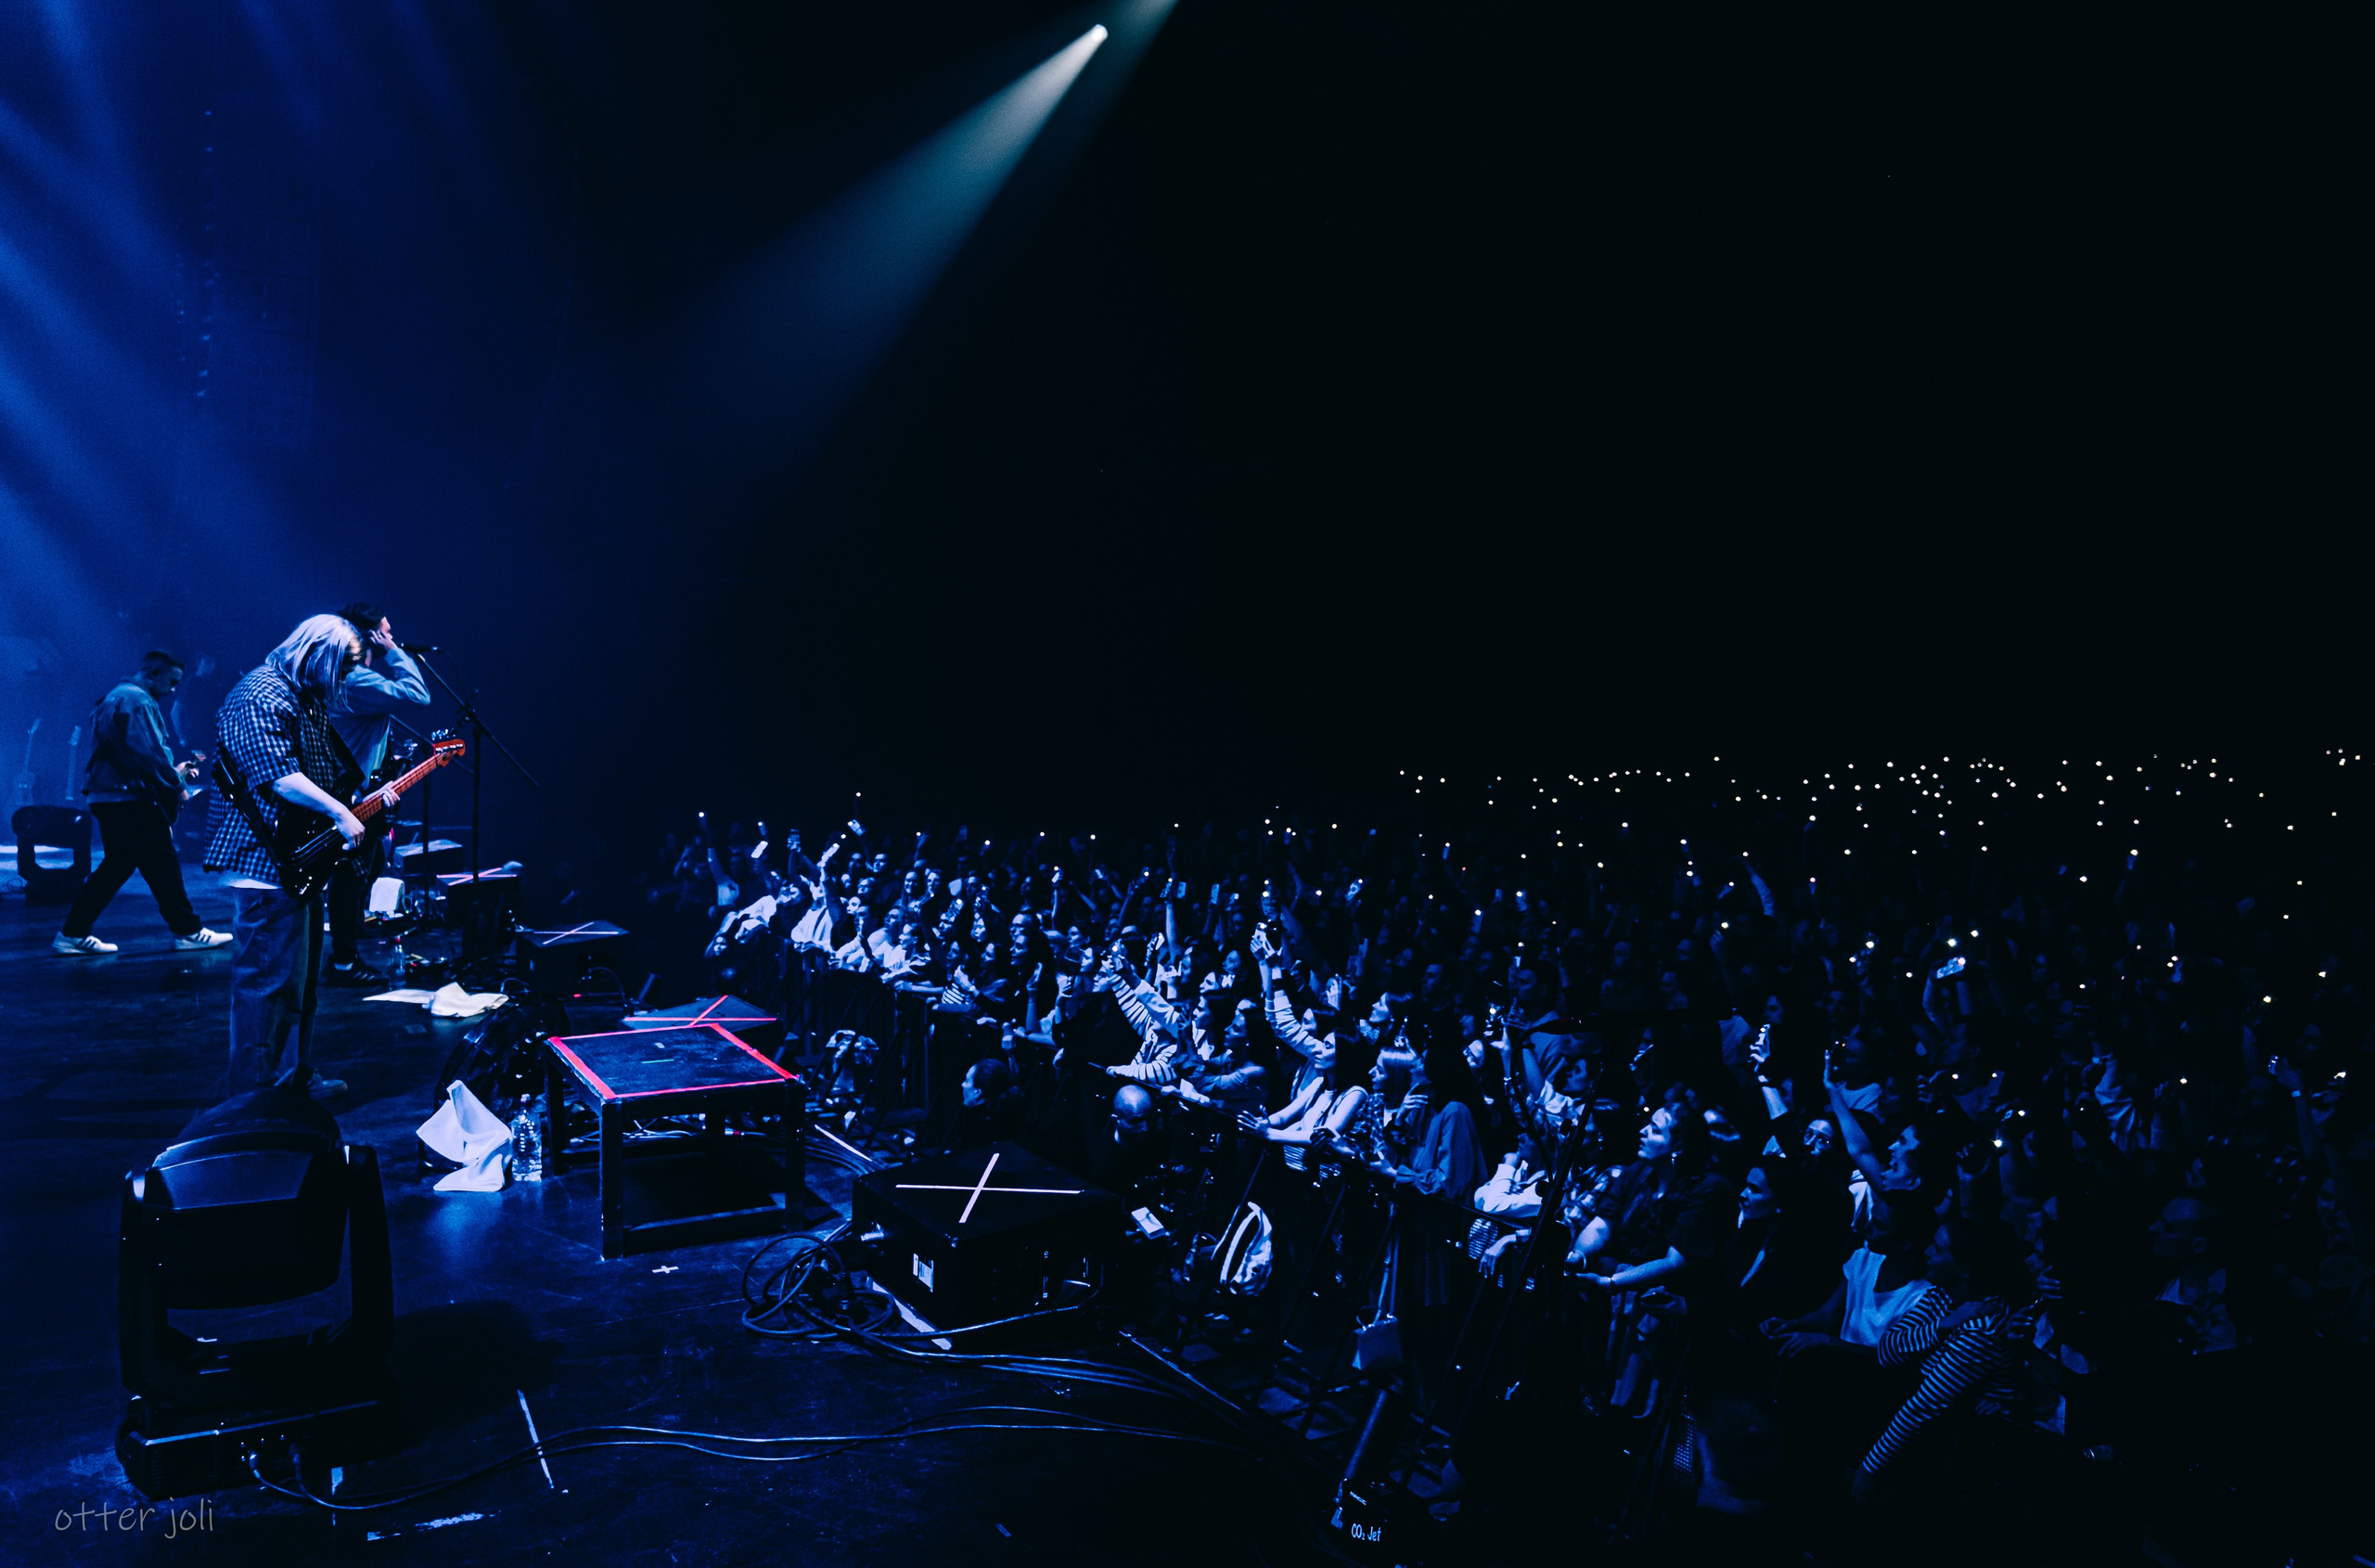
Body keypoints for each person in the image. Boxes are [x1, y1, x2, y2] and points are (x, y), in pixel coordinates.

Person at [205, 614, 392, 1100]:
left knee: (298, 988)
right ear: (317, 654)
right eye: (345, 665)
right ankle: (253, 1097)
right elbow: (275, 775)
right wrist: (338, 812)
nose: (349, 676)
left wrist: (363, 801)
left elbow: (322, 774)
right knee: (266, 987)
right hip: (266, 863)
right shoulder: (260, 694)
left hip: (296, 860)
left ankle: (291, 1078)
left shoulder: (299, 697)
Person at [53, 651, 232, 956]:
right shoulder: (138, 701)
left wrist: (171, 775)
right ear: (153, 673)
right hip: (128, 798)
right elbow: (149, 754)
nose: (173, 689)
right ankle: (187, 931)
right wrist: (177, 786)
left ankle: (74, 933)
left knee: (120, 866)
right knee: (160, 862)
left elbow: (129, 754)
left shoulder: (114, 697)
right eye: (171, 682)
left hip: (109, 795)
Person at [323, 603, 430, 985]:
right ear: (370, 637)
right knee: (351, 876)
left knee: (366, 868)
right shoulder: (355, 680)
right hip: (348, 793)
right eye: (385, 631)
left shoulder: (345, 675)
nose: (391, 636)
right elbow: (417, 696)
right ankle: (344, 962)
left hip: (354, 787)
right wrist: (395, 653)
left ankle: (347, 940)